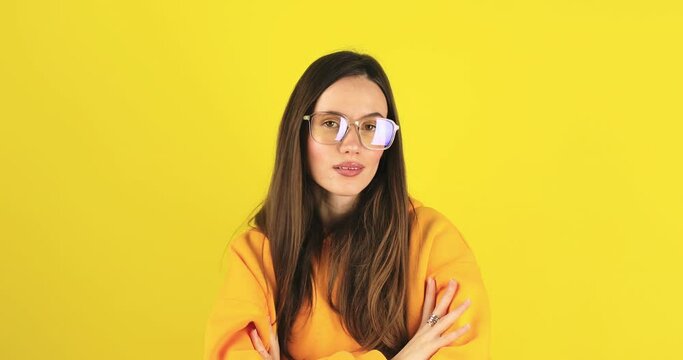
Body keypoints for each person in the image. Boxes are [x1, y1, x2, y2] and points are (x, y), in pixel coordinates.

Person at [204, 50, 491, 359]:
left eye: (370, 127)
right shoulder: (255, 256)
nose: (352, 145)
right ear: (298, 134)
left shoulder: (435, 241)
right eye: (330, 123)